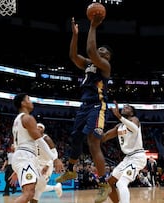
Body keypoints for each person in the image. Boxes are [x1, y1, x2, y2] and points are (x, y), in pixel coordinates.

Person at [55, 14, 113, 203]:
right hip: (84, 106)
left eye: (103, 50)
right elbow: (73, 56)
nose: (99, 49)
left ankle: (104, 184)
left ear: (107, 56)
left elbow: (90, 49)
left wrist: (93, 26)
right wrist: (74, 34)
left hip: (98, 106)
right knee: (75, 138)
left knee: (93, 142)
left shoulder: (104, 65)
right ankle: (70, 170)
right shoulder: (88, 64)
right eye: (100, 48)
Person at [10, 93, 63, 203]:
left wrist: (16, 169)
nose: (31, 101)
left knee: (36, 190)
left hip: (24, 157)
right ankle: (55, 187)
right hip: (25, 156)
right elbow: (40, 141)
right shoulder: (27, 118)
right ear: (23, 103)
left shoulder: (17, 121)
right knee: (28, 193)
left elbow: (17, 145)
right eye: (28, 99)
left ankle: (55, 187)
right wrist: (54, 158)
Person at [101, 101, 147, 203]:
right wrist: (93, 136)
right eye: (124, 107)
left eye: (128, 107)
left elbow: (134, 129)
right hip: (127, 158)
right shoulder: (119, 126)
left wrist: (119, 116)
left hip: (137, 157)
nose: (124, 108)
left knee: (121, 182)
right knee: (109, 182)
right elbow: (105, 136)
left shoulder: (134, 120)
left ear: (132, 113)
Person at [30, 123, 62, 203]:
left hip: (46, 165)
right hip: (36, 165)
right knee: (35, 187)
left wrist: (48, 165)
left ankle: (56, 187)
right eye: (36, 127)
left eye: (40, 127)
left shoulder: (46, 138)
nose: (38, 128)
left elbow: (55, 154)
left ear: (43, 130)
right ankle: (56, 187)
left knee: (38, 188)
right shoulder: (33, 139)